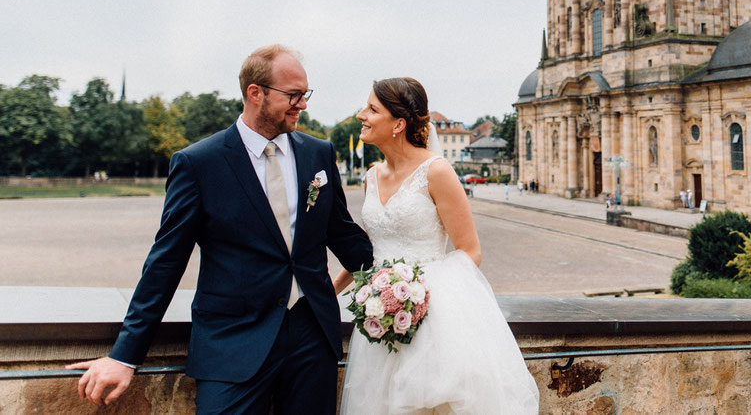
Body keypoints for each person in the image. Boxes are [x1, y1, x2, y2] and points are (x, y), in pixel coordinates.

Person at [68, 45, 374, 413]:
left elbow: (342, 234)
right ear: (255, 93)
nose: (302, 104)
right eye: (293, 95)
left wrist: (410, 275)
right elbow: (165, 262)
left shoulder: (318, 153)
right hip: (232, 344)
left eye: (304, 94)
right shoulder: (199, 163)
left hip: (312, 340)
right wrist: (124, 356)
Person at [335, 78, 539, 414]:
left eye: (372, 109)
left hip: (431, 319)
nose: (361, 115)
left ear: (398, 124)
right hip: (379, 318)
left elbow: (470, 250)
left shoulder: (436, 171)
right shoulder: (372, 176)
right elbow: (372, 244)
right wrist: (335, 288)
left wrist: (417, 295)